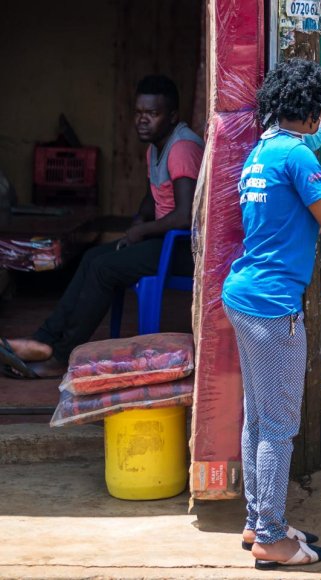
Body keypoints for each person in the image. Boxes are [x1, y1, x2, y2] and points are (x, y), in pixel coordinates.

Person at [222, 59, 321, 569]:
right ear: (313, 112)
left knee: (258, 418)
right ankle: (269, 536)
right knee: (279, 424)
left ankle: (257, 520)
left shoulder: (259, 153)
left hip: (245, 296)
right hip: (272, 307)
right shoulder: (297, 155)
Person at [0, 75, 203, 379]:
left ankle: (61, 356)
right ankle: (43, 341)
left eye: (153, 114)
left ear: (173, 116)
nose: (142, 121)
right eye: (138, 113)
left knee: (103, 269)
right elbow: (154, 196)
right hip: (163, 242)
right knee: (92, 258)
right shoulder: (155, 148)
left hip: (185, 248)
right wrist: (139, 220)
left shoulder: (182, 148)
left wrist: (142, 232)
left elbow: (186, 216)